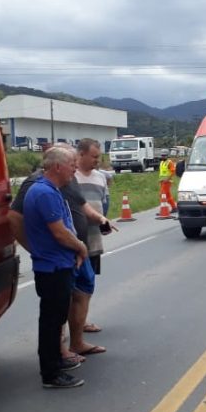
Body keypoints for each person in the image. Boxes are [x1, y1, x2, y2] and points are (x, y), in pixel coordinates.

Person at [21, 147, 88, 389]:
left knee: (55, 318)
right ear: (58, 166)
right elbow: (60, 233)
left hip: (59, 265)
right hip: (52, 269)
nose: (74, 168)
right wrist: (80, 247)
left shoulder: (50, 190)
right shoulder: (44, 193)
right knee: (51, 322)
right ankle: (50, 373)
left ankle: (55, 363)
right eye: (71, 163)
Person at [71, 138, 116, 355]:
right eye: (94, 156)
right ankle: (69, 332)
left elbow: (104, 203)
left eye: (99, 156)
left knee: (87, 285)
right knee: (73, 288)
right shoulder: (70, 178)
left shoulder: (100, 178)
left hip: (93, 240)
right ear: (80, 155)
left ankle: (82, 322)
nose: (97, 160)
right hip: (74, 240)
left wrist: (103, 221)